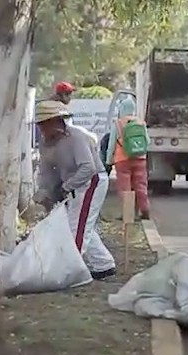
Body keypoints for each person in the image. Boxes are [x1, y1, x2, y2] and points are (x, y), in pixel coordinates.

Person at [33, 100, 116, 280]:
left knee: (75, 229)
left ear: (56, 121)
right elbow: (46, 169)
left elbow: (88, 168)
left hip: (91, 182)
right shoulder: (45, 143)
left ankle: (69, 270)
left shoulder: (76, 137)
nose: (42, 128)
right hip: (72, 183)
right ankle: (103, 265)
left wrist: (65, 187)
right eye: (40, 124)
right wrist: (44, 190)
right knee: (81, 224)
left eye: (45, 123)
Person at [106, 98, 150, 220]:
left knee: (125, 187)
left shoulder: (118, 123)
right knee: (140, 185)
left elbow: (111, 144)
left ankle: (128, 214)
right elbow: (148, 141)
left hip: (122, 160)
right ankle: (144, 210)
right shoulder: (141, 122)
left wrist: (109, 160)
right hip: (140, 158)